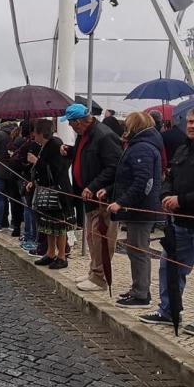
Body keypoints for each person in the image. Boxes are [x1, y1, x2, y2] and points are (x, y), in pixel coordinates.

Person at [139, 106, 194, 335]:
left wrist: (182, 199)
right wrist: (165, 195)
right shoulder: (182, 149)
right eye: (190, 122)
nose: (193, 126)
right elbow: (170, 176)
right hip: (178, 223)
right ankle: (169, 310)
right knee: (168, 267)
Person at [104, 112, 165, 309]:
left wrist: (121, 202)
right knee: (135, 250)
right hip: (139, 208)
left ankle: (141, 294)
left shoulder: (142, 149)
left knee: (138, 251)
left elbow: (142, 181)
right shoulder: (142, 146)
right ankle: (138, 288)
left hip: (140, 210)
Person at [62, 103, 123, 293]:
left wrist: (93, 186)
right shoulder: (85, 135)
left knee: (101, 238)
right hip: (88, 196)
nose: (71, 127)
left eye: (71, 124)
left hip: (101, 197)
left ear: (79, 122)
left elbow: (113, 167)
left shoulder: (104, 136)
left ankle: (99, 278)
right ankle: (93, 272)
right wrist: (71, 151)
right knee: (92, 237)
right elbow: (86, 157)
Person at [26, 118, 71, 269]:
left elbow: (57, 168)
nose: (33, 136)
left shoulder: (55, 144)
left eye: (35, 133)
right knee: (48, 225)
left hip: (56, 192)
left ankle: (62, 256)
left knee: (59, 225)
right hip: (46, 189)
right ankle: (50, 253)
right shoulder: (46, 145)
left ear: (40, 133)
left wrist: (35, 161)